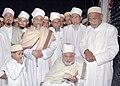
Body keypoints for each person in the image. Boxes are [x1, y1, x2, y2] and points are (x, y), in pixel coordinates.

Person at [80, 6, 119, 86]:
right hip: (88, 66)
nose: (92, 21)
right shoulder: (88, 29)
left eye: (94, 18)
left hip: (102, 67)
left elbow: (113, 49)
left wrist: (96, 57)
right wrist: (86, 51)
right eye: (90, 19)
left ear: (101, 17)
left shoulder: (110, 29)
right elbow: (82, 44)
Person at [21, 8, 56, 86]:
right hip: (30, 62)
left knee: (44, 81)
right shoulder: (26, 33)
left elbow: (53, 47)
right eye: (37, 19)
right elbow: (23, 48)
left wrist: (43, 53)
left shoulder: (49, 33)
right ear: (32, 20)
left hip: (44, 61)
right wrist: (32, 53)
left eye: (41, 19)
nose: (38, 22)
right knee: (31, 81)